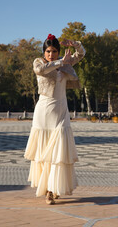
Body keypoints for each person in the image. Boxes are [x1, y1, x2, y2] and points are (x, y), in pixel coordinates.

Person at [24, 34, 85, 204]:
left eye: (55, 51)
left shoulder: (65, 63)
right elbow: (40, 71)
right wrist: (60, 62)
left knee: (58, 153)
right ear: (44, 52)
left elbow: (81, 54)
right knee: (45, 155)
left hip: (61, 113)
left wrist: (76, 45)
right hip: (43, 114)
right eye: (48, 51)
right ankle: (48, 191)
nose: (51, 54)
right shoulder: (39, 63)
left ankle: (53, 188)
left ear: (58, 51)